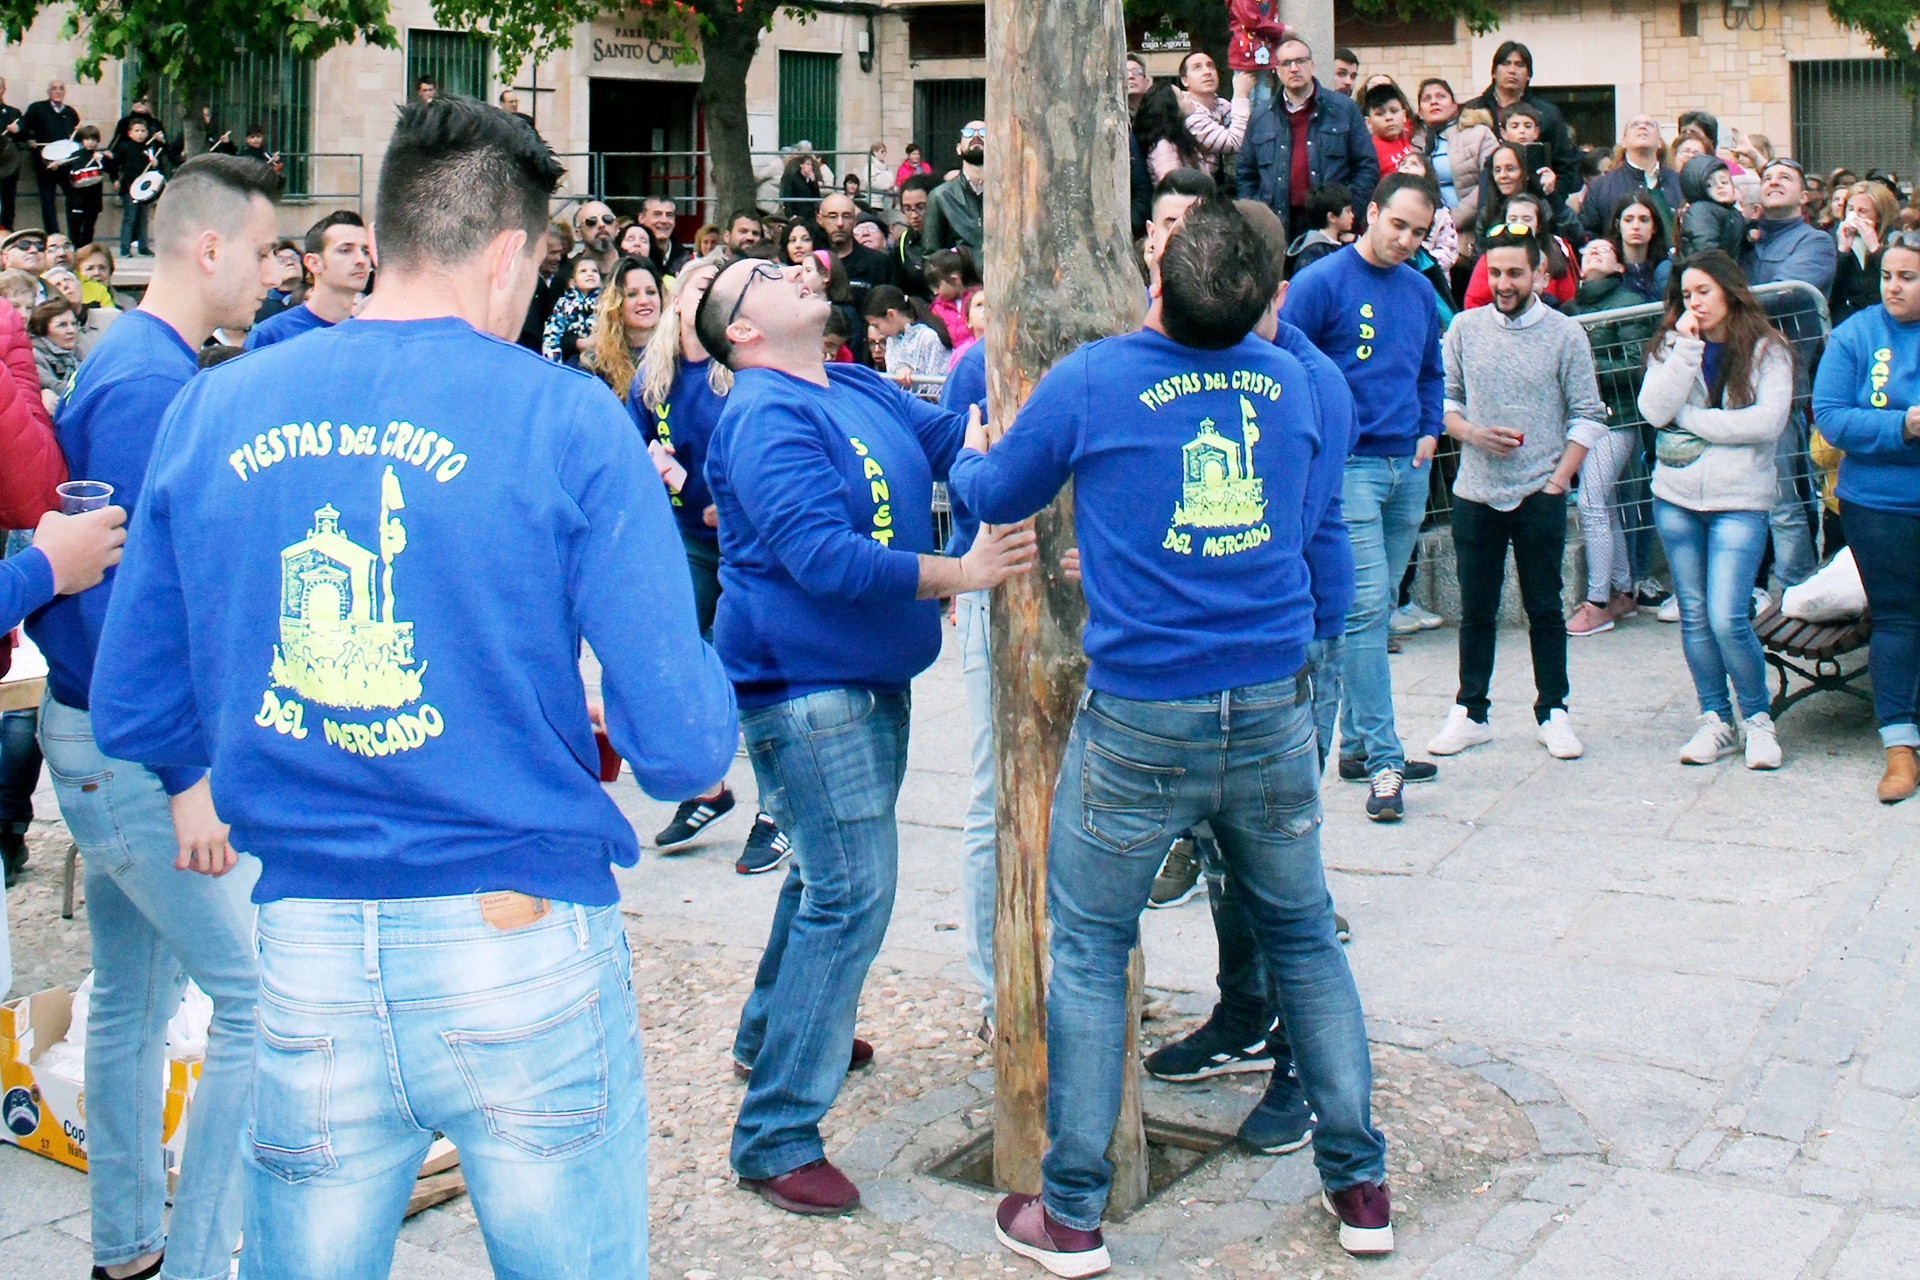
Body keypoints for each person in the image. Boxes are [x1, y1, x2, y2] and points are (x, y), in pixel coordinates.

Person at [95, 94, 734, 1280]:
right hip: (518, 935)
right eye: (538, 266)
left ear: (383, 234)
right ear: (508, 252)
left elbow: (135, 703)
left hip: (307, 947)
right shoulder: (566, 419)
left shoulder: (215, 404)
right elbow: (685, 748)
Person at [949, 197, 1389, 1274]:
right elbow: (1298, 527)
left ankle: (1072, 1210)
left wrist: (968, 458)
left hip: (1144, 708)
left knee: (1091, 947)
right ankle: (1361, 1181)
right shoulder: (1297, 385)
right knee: (1304, 935)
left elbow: (1000, 492)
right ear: (1266, 299)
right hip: (1273, 700)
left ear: (1157, 284)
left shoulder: (1095, 378)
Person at [693, 255, 1033, 1215]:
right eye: (764, 273)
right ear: (743, 332)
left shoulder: (845, 380)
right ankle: (775, 1133)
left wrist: (985, 470)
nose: (800, 268)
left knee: (817, 873)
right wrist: (962, 572)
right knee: (852, 893)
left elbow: (949, 437)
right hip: (806, 688)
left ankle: (777, 1032)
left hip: (866, 678)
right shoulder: (763, 415)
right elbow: (821, 558)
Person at [21, 151, 279, 1280]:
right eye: (268, 249)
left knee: (131, 994)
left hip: (98, 742)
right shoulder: (144, 384)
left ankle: (126, 1250)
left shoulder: (138, 358)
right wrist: (185, 775)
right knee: (256, 1005)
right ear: (209, 247)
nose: (276, 272)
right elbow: (127, 609)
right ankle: (194, 1256)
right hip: (130, 756)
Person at [1281, 172, 1444, 820]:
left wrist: (1430, 431)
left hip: (1408, 466)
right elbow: (1285, 361)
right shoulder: (1322, 282)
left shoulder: (1420, 288)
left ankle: (1354, 743)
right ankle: (1383, 757)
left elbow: (1430, 370)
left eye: (1419, 231)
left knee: (1371, 612)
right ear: (1369, 214)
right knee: (1367, 611)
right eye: (1398, 224)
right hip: (1347, 469)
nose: (1406, 239)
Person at [633, 258, 794, 874]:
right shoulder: (655, 375)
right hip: (686, 540)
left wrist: (729, 508)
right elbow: (635, 451)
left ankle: (779, 811)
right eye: (700, 287)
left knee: (754, 673)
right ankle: (706, 789)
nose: (710, 298)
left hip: (750, 547)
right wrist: (657, 472)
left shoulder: (741, 374)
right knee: (678, 659)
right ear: (679, 301)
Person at [1427, 224, 1604, 761]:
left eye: (1514, 273)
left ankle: (1554, 710)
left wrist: (1557, 481)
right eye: (1495, 272)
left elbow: (1588, 414)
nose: (1503, 283)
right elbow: (1443, 400)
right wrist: (1471, 434)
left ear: (1539, 276)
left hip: (1539, 491)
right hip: (1476, 491)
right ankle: (1471, 710)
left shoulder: (1565, 333)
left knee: (1544, 606)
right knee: (1476, 609)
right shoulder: (1462, 328)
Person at [1638, 251, 1793, 769]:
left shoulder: (1768, 349)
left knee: (1729, 617)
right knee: (1695, 616)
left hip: (1739, 500)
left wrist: (1697, 423)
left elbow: (1766, 423)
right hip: (1677, 497)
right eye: (1686, 294)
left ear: (1729, 289)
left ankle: (1757, 719)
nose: (1695, 302)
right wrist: (1684, 348)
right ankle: (1714, 718)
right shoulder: (1672, 345)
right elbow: (1655, 411)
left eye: (1704, 290)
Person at [1812, 229, 1920, 802]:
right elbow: (1831, 417)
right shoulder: (1857, 334)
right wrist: (1903, 426)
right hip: (1879, 504)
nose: (1894, 287)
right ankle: (1900, 747)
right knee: (1899, 618)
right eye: (1887, 276)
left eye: (1908, 277)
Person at [1238, 37, 1378, 242]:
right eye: (1286, 63)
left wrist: (1349, 217)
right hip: (1275, 227)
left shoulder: (1343, 109)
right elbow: (1246, 175)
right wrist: (1254, 222)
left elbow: (1366, 166)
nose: (1294, 68)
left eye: (1300, 61)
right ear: (1277, 70)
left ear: (1311, 65)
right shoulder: (1261, 116)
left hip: (1330, 226)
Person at [1460, 43, 1578, 206]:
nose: (1512, 70)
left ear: (1529, 74)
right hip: (1482, 204)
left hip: (1536, 205)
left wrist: (1552, 200)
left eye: (1520, 65)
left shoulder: (1548, 114)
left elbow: (1565, 167)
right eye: (1506, 64)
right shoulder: (1472, 110)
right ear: (1494, 72)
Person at [246, 209, 370, 349]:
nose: (361, 260)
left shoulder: (370, 336)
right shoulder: (271, 335)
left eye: (365, 251)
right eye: (345, 250)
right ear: (314, 263)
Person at [1463, 191, 1576, 309]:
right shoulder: (1490, 258)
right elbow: (1473, 302)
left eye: (1526, 219)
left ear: (1538, 225)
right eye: (1513, 219)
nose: (1519, 224)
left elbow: (1569, 302)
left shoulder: (1554, 255)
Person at [1580, 114, 1681, 243]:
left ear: (1660, 143)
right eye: (1635, 125)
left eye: (1650, 125)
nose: (1642, 127)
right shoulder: (1600, 187)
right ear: (1624, 142)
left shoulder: (1680, 183)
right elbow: (1588, 234)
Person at [583, 254, 662, 394]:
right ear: (616, 303)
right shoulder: (595, 363)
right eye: (632, 294)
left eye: (651, 292)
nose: (644, 300)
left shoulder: (679, 355)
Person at [1831, 180, 1900, 326]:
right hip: (1848, 324)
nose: (1854, 215)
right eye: (1850, 209)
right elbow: (1833, 293)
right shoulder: (1833, 240)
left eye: (1863, 211)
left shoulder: (1895, 242)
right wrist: (1842, 250)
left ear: (1879, 216)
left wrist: (1875, 249)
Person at [816, 191, 897, 311]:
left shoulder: (879, 263)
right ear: (820, 220)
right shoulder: (812, 262)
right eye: (832, 216)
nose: (840, 223)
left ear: (855, 220)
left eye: (846, 216)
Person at [923, 121, 986, 258]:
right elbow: (931, 257)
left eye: (983, 132)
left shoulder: (1009, 197)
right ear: (958, 148)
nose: (976, 136)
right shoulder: (941, 197)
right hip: (961, 278)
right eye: (968, 133)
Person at [23, 79, 77, 236]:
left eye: (61, 88)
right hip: (45, 164)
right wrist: (29, 139)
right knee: (48, 201)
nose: (58, 91)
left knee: (74, 198)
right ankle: (53, 235)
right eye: (54, 89)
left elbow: (76, 136)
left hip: (65, 165)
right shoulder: (37, 108)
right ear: (48, 92)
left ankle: (74, 235)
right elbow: (24, 125)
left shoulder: (70, 113)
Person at [864, 283, 948, 382]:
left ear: (891, 314)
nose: (878, 331)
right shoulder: (892, 340)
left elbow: (937, 383)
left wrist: (911, 376)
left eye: (877, 325)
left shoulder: (928, 337)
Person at [109, 116, 164, 257]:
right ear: (130, 133)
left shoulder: (149, 148)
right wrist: (115, 179)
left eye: (142, 131)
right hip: (129, 186)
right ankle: (125, 248)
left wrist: (155, 164)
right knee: (130, 217)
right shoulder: (124, 147)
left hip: (144, 187)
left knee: (143, 218)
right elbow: (114, 164)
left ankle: (143, 246)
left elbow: (156, 166)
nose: (140, 134)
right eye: (136, 130)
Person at [1678, 154, 1746, 259]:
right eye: (1710, 184)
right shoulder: (1701, 210)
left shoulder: (1732, 212)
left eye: (1725, 182)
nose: (1720, 186)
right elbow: (1704, 244)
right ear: (1698, 189)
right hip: (1707, 268)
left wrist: (1750, 230)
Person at [516, 220, 569, 352]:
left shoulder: (567, 277)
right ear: (537, 250)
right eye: (552, 252)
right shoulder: (519, 283)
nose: (558, 258)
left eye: (559, 252)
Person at [1138, 82, 1207, 182]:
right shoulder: (1165, 148)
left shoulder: (1180, 138)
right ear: (1173, 110)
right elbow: (1174, 186)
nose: (1188, 94)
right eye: (1182, 97)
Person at [541, 252, 602, 365]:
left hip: (601, 356)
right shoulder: (564, 304)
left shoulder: (605, 302)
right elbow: (552, 333)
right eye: (583, 271)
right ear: (572, 283)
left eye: (594, 271)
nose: (590, 274)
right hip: (573, 357)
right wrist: (553, 364)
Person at [1286, 181, 1352, 276]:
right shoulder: (1314, 252)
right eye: (1348, 211)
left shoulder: (1344, 243)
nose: (1352, 215)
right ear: (1332, 217)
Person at [893, 173, 942, 300]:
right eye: (908, 209)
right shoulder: (902, 244)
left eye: (921, 207)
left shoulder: (949, 235)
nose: (914, 215)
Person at [27, 295, 79, 413]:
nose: (71, 330)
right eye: (62, 325)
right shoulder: (33, 355)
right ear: (44, 328)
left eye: (73, 323)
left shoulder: (75, 353)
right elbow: (50, 384)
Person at [924, 248, 976, 357]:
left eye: (937, 286)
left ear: (955, 279)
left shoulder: (977, 299)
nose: (935, 292)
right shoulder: (937, 308)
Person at [1364, 81, 1415, 175]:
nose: (1389, 118)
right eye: (1380, 114)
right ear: (1368, 122)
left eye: (1394, 111)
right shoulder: (1369, 151)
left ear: (1404, 115)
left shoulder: (1410, 137)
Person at [641, 194, 691, 275]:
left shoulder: (687, 262)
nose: (664, 220)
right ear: (641, 218)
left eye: (669, 215)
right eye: (657, 214)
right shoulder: (633, 257)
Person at [574, 198, 620, 277]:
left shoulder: (634, 266)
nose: (601, 225)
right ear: (579, 234)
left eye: (607, 219)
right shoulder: (568, 273)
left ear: (617, 228)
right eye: (591, 221)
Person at [0, 78, 23, 232]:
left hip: (8, 167)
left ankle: (7, 237)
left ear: (3, 90)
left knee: (8, 204)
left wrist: (19, 129)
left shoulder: (14, 113)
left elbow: (24, 135)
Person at [780, 153, 821, 221]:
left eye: (811, 165)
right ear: (801, 165)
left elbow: (817, 196)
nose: (810, 167)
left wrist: (814, 182)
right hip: (797, 213)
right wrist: (790, 216)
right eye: (807, 164)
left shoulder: (811, 180)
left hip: (810, 215)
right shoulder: (793, 179)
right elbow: (787, 198)